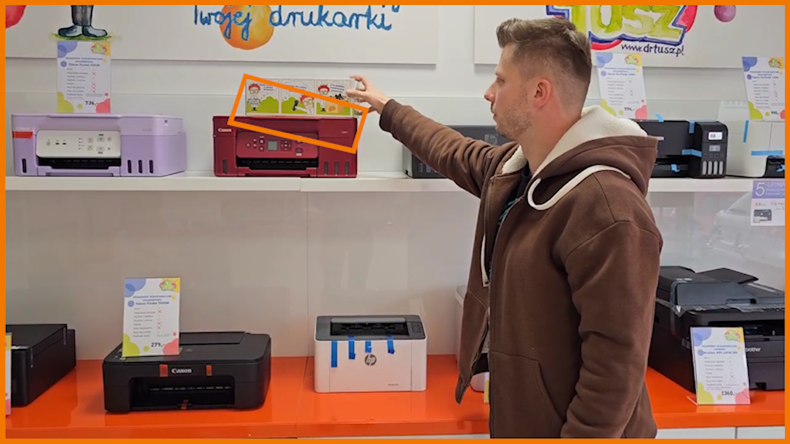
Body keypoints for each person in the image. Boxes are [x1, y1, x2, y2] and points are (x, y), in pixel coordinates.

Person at [346, 17, 662, 439]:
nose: (489, 92)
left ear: (539, 92)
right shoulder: (517, 169)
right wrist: (388, 109)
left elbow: (615, 367)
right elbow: (451, 150)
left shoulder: (608, 206)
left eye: (500, 80)